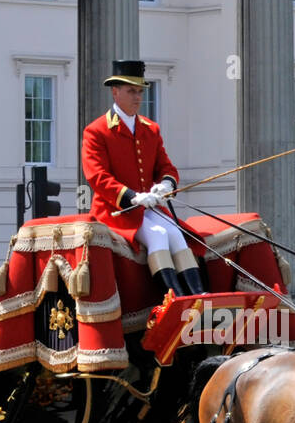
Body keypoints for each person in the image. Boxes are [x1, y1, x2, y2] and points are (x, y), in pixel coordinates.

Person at [81, 59, 205, 296]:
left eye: (140, 91)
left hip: (150, 208)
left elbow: (165, 166)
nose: (138, 97)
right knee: (158, 235)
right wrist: (132, 197)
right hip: (116, 210)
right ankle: (174, 299)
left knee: (177, 235)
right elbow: (97, 176)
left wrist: (165, 185)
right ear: (115, 92)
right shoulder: (96, 131)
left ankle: (198, 296)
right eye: (131, 91)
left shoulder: (150, 129)